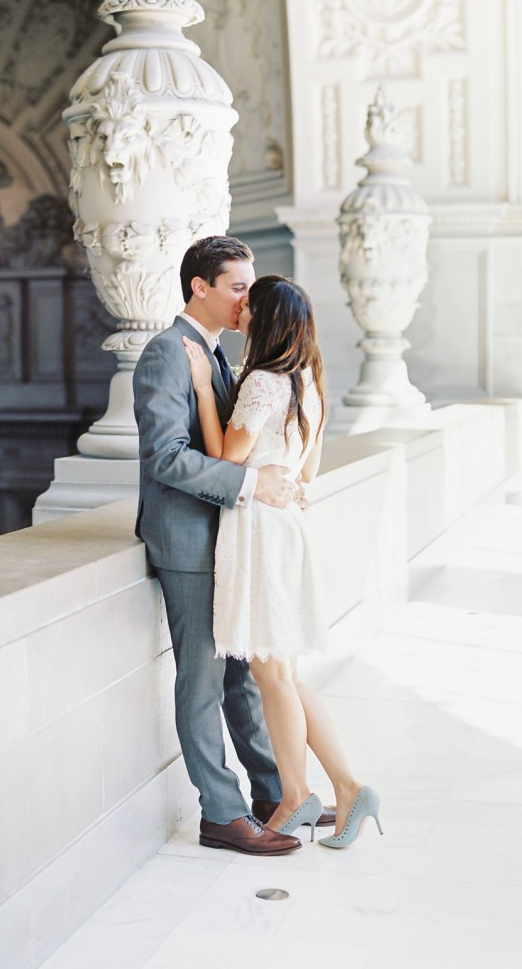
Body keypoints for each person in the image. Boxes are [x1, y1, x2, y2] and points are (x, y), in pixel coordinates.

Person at [133, 235, 334, 856]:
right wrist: (254, 483)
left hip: (230, 537)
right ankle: (221, 813)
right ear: (201, 287)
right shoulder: (168, 353)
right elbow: (166, 457)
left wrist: (263, 484)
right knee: (202, 679)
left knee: (245, 676)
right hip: (187, 539)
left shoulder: (220, 355)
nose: (249, 298)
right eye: (238, 286)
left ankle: (275, 795)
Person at [183, 274, 383, 848]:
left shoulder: (264, 384)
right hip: (287, 526)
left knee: (271, 671)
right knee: (284, 674)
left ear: (265, 320)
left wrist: (202, 387)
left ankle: (299, 795)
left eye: (250, 306)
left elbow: (224, 456)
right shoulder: (307, 381)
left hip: (261, 531)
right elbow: (309, 472)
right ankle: (345, 788)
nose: (241, 310)